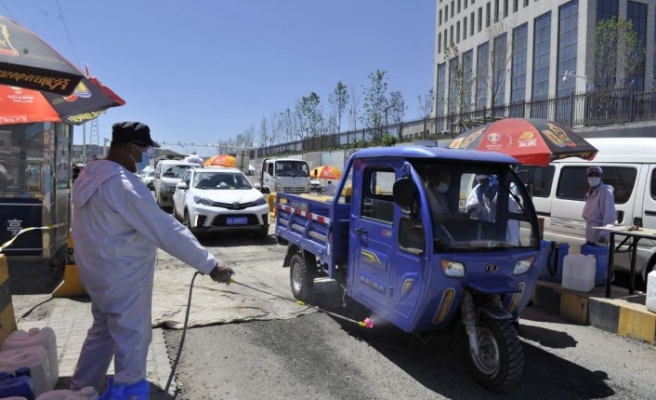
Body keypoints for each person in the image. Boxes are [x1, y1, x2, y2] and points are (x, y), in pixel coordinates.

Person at [69, 122, 235, 393]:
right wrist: (210, 264)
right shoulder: (122, 184)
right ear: (130, 147)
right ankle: (130, 393)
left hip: (97, 275)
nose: (146, 154)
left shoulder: (89, 176)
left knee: (103, 333)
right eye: (144, 148)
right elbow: (164, 228)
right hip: (124, 278)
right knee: (132, 339)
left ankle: (78, 390)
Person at [582, 166, 616, 244]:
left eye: (596, 175)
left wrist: (604, 235)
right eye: (591, 175)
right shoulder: (591, 191)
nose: (593, 178)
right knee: (588, 254)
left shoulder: (606, 192)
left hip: (599, 230)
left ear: (600, 177)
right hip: (590, 228)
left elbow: (609, 216)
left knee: (597, 254)